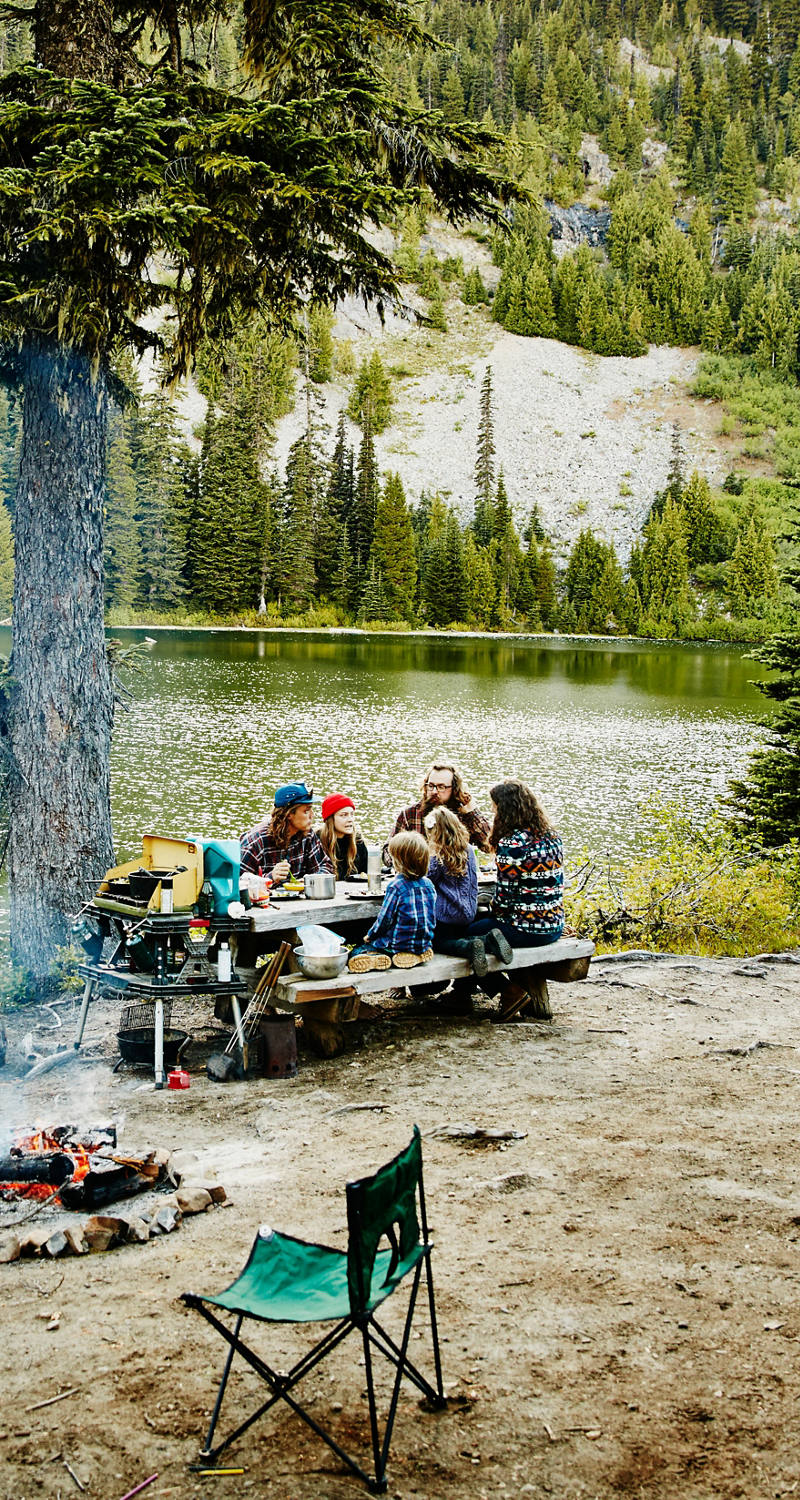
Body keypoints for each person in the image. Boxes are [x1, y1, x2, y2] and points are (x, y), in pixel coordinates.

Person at [467, 779, 564, 949]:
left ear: (504, 810)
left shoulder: (512, 844)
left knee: (466, 932)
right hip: (554, 927)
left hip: (524, 930)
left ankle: (490, 963)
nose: (492, 810)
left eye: (494, 806)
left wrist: (488, 911)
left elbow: (503, 902)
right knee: (480, 924)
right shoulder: (553, 837)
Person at [424, 806, 511, 978]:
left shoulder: (437, 855)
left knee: (438, 943)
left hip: (445, 917)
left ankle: (470, 947)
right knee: (458, 936)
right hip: (468, 913)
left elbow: (426, 881)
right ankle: (487, 940)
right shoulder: (469, 850)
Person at [348, 831, 436, 972]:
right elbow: (431, 916)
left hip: (397, 945)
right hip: (423, 943)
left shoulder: (396, 886)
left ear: (399, 861)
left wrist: (371, 935)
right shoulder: (429, 884)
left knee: (356, 951)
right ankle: (417, 955)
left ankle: (378, 957)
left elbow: (385, 920)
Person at [240, 782, 334, 885]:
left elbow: (326, 866)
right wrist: (270, 878)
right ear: (289, 814)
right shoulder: (256, 841)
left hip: (298, 900)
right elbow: (235, 883)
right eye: (306, 811)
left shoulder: (307, 834)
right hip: (264, 899)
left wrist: (311, 880)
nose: (312, 815)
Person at [390, 759, 491, 852]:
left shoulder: (464, 815)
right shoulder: (410, 814)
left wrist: (472, 813)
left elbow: (490, 847)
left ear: (454, 789)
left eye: (441, 787)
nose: (434, 791)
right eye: (431, 786)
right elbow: (387, 853)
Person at [318, 793, 369, 881]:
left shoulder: (358, 841)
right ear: (331, 819)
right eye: (343, 815)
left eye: (352, 814)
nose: (350, 819)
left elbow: (366, 873)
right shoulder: (316, 841)